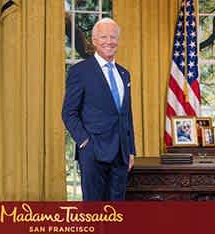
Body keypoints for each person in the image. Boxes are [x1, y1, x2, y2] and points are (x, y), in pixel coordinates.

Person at [62, 18, 136, 201]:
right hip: (93, 153)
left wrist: (131, 150)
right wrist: (84, 141)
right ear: (94, 41)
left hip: (121, 155)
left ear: (118, 41)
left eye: (113, 37)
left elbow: (127, 116)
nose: (109, 41)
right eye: (103, 37)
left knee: (116, 215)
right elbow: (69, 112)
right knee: (94, 213)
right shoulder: (80, 71)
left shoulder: (124, 73)